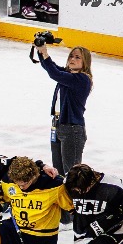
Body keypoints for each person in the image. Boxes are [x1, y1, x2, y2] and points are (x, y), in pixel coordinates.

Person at [34, 40, 93, 170]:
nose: (72, 59)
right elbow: (50, 67)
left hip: (72, 130)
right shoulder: (68, 75)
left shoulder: (82, 79)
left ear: (85, 62)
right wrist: (40, 50)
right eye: (71, 56)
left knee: (71, 174)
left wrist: (45, 52)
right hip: (57, 126)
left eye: (77, 57)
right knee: (58, 173)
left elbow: (54, 73)